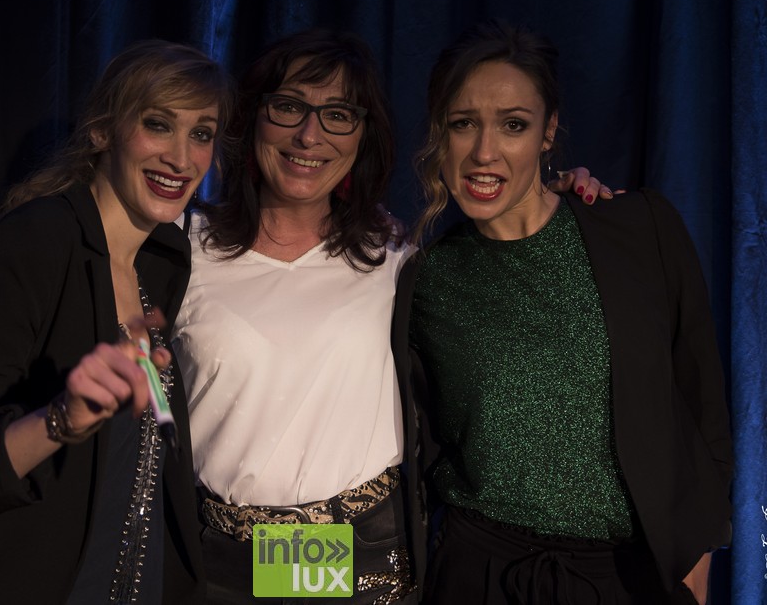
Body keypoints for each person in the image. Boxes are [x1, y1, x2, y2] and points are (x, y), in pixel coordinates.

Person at [170, 29, 608, 603]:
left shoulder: (395, 257)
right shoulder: (181, 248)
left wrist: (565, 200)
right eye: (288, 107)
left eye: (338, 115)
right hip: (216, 558)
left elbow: (511, 265)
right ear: (252, 117)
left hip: (355, 555)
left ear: (363, 137)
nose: (309, 135)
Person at [402, 20, 734, 604]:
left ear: (548, 131)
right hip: (478, 574)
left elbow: (700, 399)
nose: (484, 152)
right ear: (439, 132)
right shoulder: (424, 278)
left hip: (624, 580)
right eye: (463, 123)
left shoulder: (640, 227)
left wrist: (697, 554)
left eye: (514, 124)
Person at [0, 40, 233, 605]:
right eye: (158, 125)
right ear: (102, 132)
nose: (182, 158)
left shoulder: (164, 261)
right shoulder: (37, 241)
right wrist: (60, 420)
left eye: (201, 133)